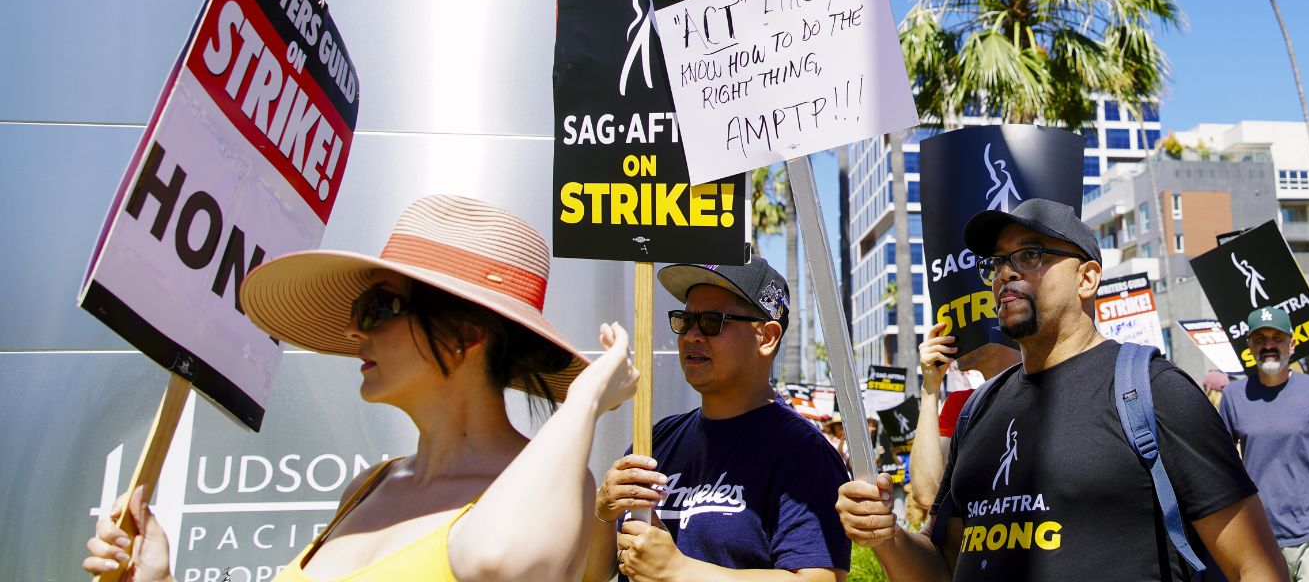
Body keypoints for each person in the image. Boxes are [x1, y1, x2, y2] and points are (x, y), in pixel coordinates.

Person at [83, 194, 637, 582]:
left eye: (378, 308)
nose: (352, 330)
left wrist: (586, 400)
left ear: (467, 336)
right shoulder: (368, 486)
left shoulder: (553, 489)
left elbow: (505, 564)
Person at [836, 197, 1285, 580]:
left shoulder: (1152, 391)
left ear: (1087, 278)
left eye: (1030, 256)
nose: (1005, 274)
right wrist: (887, 535)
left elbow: (1256, 567)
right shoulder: (979, 410)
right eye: (996, 262)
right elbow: (944, 568)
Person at [589, 258, 851, 582]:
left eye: (712, 322)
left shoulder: (804, 453)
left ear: (767, 337)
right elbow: (593, 573)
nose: (691, 336)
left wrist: (678, 571)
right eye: (685, 320)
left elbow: (819, 579)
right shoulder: (655, 441)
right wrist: (603, 512)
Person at [1218, 306, 1309, 581]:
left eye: (1277, 337)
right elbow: (1224, 469)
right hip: (1260, 540)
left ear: (1292, 344)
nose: (1269, 345)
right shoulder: (1233, 396)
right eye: (1260, 339)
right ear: (1249, 346)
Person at [907, 318, 1024, 529]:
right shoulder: (962, 405)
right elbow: (928, 493)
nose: (951, 331)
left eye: (965, 319)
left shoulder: (1051, 391)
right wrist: (930, 388)